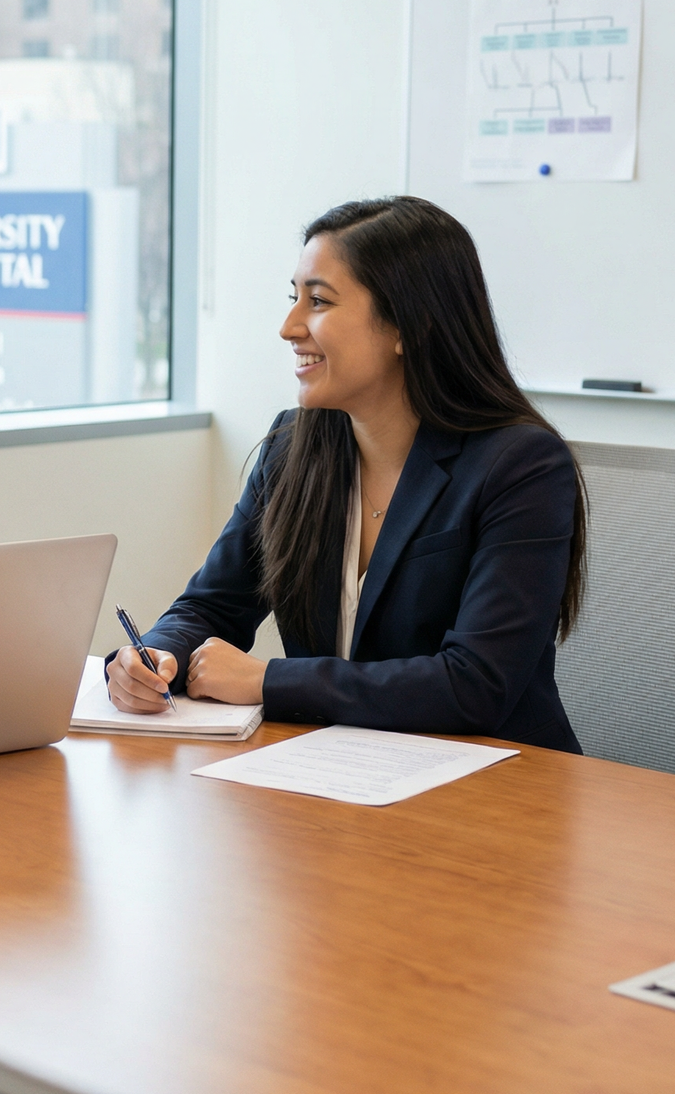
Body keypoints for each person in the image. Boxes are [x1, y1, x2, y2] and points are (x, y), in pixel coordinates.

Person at [109, 195, 585, 752]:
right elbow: (213, 606)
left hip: (496, 785)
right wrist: (153, 658)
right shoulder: (294, 448)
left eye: (318, 302)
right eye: (294, 299)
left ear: (408, 325)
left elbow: (476, 685)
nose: (289, 327)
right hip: (340, 770)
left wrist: (267, 681)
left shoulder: (521, 465)